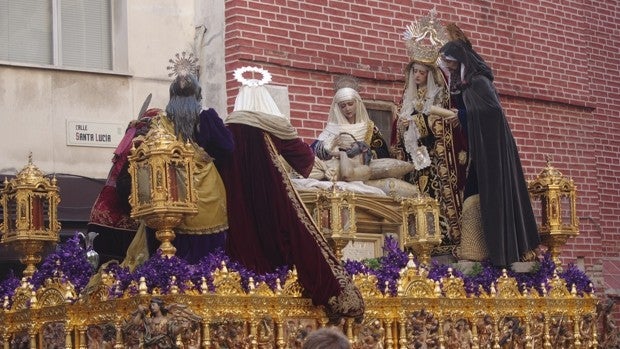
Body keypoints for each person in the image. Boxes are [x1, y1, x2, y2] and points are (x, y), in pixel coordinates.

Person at [219, 66, 364, 323]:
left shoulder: (228, 129)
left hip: (236, 206)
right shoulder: (274, 126)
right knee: (297, 239)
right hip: (272, 203)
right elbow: (305, 162)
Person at [438, 25, 540, 267]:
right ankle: (476, 249)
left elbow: (492, 111)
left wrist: (462, 115)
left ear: (461, 60)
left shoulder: (479, 81)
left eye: (450, 62)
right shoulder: (467, 84)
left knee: (487, 192)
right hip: (479, 149)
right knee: (473, 193)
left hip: (493, 150)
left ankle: (505, 252)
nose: (449, 66)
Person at [392, 57, 468, 251]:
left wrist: (418, 122)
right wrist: (403, 126)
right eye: (414, 71)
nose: (417, 75)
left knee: (434, 198)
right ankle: (415, 241)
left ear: (430, 75)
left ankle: (441, 238)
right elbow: (398, 132)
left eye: (421, 72)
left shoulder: (439, 95)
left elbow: (444, 124)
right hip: (415, 162)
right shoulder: (408, 99)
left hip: (435, 160)